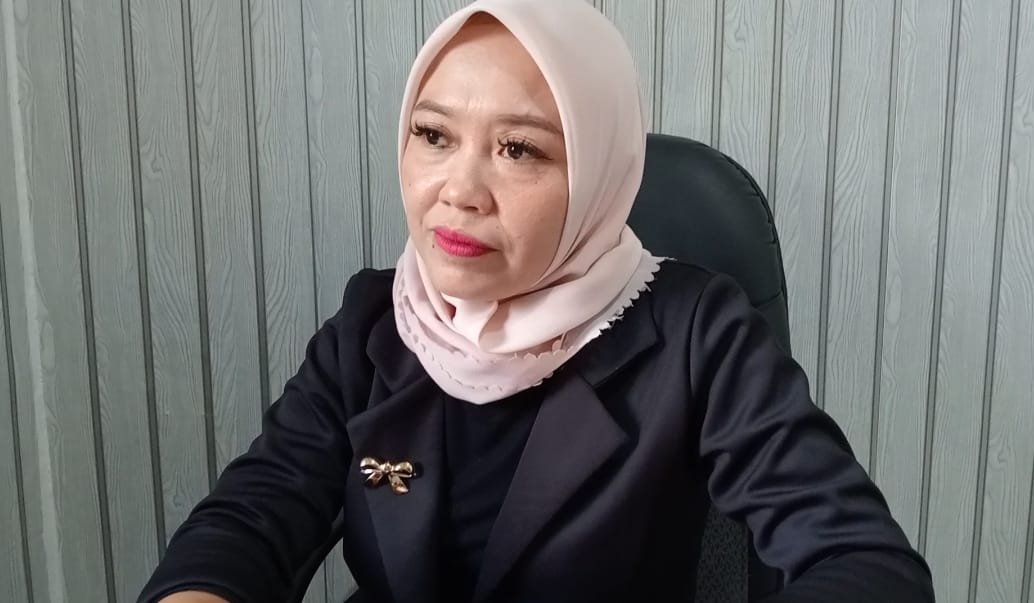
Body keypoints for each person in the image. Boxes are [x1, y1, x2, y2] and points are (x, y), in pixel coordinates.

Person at [139, 0, 935, 601]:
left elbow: (862, 560)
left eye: (518, 149)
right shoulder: (372, 325)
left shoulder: (696, 332)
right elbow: (250, 517)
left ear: (596, 173)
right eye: (433, 134)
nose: (458, 190)